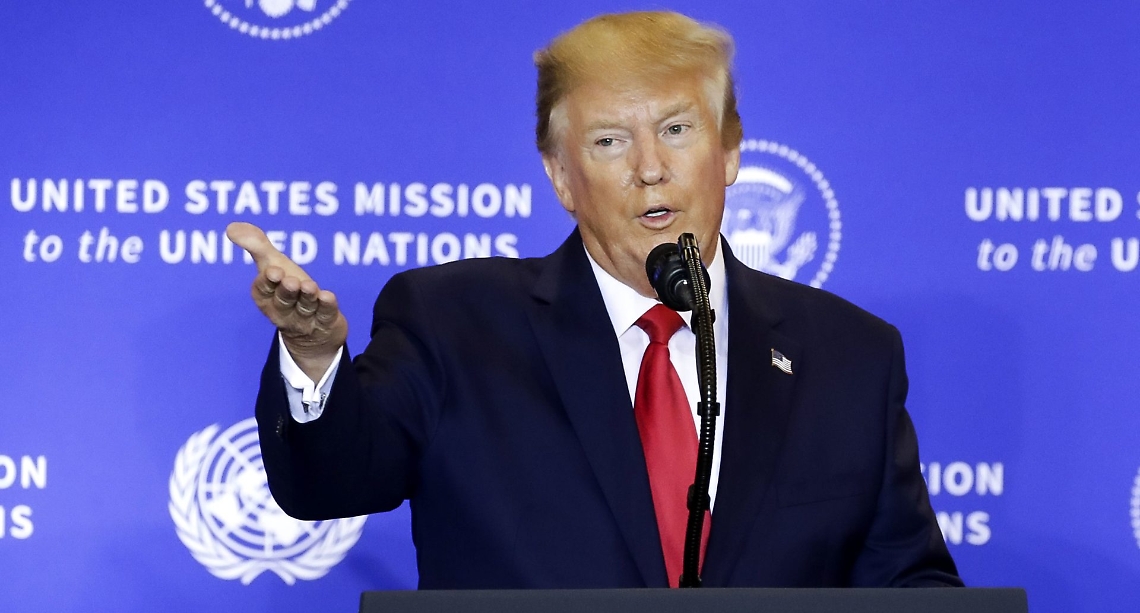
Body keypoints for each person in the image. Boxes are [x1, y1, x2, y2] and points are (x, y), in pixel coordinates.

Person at [227, 11, 962, 589]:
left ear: (730, 149)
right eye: (610, 141)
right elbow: (329, 483)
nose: (650, 169)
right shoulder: (455, 323)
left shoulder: (847, 354)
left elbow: (905, 579)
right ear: (560, 176)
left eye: (677, 130)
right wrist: (316, 357)